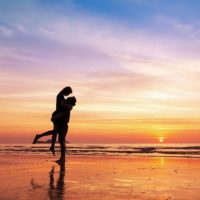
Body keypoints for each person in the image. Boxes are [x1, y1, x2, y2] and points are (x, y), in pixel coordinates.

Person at [32, 96, 76, 162]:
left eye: (68, 99)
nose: (66, 99)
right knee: (61, 140)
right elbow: (62, 111)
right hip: (62, 124)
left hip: (63, 125)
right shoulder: (65, 106)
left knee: (58, 138)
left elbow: (68, 107)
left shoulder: (68, 106)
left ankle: (40, 136)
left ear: (70, 101)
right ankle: (62, 158)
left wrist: (63, 104)